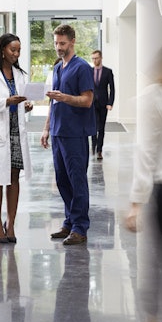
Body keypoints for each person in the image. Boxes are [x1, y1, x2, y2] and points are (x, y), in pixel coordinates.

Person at [126, 47, 162, 322]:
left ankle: (152, 319)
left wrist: (136, 201)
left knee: (157, 263)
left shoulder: (156, 96)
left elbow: (146, 151)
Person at [41, 24, 96, 245]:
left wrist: (66, 98)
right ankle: (70, 222)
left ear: (72, 41)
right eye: (56, 43)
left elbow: (87, 100)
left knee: (77, 181)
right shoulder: (57, 68)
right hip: (58, 131)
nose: (58, 47)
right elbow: (53, 101)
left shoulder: (82, 68)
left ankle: (80, 227)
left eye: (62, 43)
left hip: (75, 133)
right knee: (62, 180)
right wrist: (46, 128)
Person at [0, 33, 33, 244]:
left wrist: (25, 106)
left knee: (13, 178)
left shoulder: (20, 74)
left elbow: (22, 102)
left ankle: (10, 223)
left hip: (15, 133)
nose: (16, 54)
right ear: (2, 50)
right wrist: (7, 101)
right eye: (13, 50)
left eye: (19, 50)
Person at [90, 50, 115, 160]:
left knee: (101, 128)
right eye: (93, 58)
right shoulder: (89, 71)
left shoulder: (108, 71)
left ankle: (99, 150)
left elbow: (112, 89)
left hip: (104, 103)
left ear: (101, 58)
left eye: (96, 58)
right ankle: (93, 147)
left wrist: (110, 103)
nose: (95, 60)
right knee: (93, 127)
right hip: (91, 103)